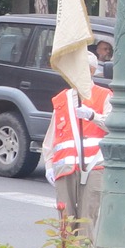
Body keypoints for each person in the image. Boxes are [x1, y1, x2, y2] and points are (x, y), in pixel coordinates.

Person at [44, 51, 109, 222]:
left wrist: (93, 116)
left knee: (88, 218)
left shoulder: (104, 95)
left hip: (94, 167)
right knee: (66, 221)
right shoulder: (62, 99)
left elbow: (113, 125)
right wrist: (49, 165)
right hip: (65, 168)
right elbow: (51, 137)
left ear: (92, 71)